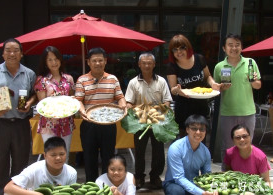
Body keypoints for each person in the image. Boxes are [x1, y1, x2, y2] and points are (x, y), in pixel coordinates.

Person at [0, 38, 37, 195]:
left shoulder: (29, 73)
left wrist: (29, 103)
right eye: (8, 50)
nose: (12, 53)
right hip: (0, 124)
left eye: (16, 50)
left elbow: (34, 94)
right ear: (3, 54)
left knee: (21, 160)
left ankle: (17, 191)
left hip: (21, 123)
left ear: (22, 54)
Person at [75, 47, 127, 182]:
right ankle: (92, 187)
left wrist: (123, 105)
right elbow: (78, 100)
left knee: (108, 159)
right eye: (94, 61)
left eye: (100, 60)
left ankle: (107, 187)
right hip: (89, 124)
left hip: (108, 125)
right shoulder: (82, 80)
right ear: (88, 62)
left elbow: (120, 97)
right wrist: (82, 111)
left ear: (105, 61)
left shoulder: (112, 79)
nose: (97, 63)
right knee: (89, 159)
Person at [125, 52, 172, 189]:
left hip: (158, 121)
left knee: (158, 151)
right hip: (140, 123)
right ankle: (139, 177)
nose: (147, 65)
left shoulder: (161, 81)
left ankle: (155, 176)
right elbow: (128, 103)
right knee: (139, 152)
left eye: (149, 63)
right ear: (139, 64)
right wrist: (141, 111)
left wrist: (160, 111)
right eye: (144, 63)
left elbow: (167, 100)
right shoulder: (133, 82)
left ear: (154, 64)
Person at [213, 33, 261, 163]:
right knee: (228, 146)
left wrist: (254, 81)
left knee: (247, 145)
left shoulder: (250, 63)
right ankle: (227, 174)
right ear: (224, 48)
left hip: (248, 112)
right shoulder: (219, 67)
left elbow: (258, 86)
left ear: (241, 47)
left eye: (237, 45)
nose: (234, 48)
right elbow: (216, 89)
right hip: (228, 112)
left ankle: (247, 172)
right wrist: (220, 87)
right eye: (230, 45)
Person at [166, 34, 221, 138]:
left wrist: (213, 84)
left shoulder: (199, 59)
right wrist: (177, 90)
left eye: (182, 48)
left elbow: (207, 76)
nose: (179, 52)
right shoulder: (171, 66)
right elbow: (172, 89)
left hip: (201, 106)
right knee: (184, 140)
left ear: (188, 47)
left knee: (200, 137)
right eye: (175, 49)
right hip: (183, 108)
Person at [34, 46, 75, 162]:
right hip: (49, 124)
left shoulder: (68, 79)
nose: (54, 62)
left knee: (64, 155)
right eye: (50, 60)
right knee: (50, 155)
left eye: (56, 59)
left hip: (66, 122)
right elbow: (42, 104)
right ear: (45, 62)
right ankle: (50, 180)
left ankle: (64, 180)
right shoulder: (41, 80)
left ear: (60, 60)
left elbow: (72, 98)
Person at [163, 115, 219, 195]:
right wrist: (201, 192)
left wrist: (212, 189)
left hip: (194, 183)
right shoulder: (176, 148)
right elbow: (179, 178)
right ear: (187, 129)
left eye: (202, 129)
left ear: (205, 131)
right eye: (194, 128)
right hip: (174, 183)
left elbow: (207, 175)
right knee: (177, 192)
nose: (198, 132)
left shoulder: (205, 152)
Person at [4, 137, 78, 194]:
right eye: (53, 155)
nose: (58, 158)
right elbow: (8, 188)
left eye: (62, 154)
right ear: (45, 156)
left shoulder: (71, 173)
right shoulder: (35, 169)